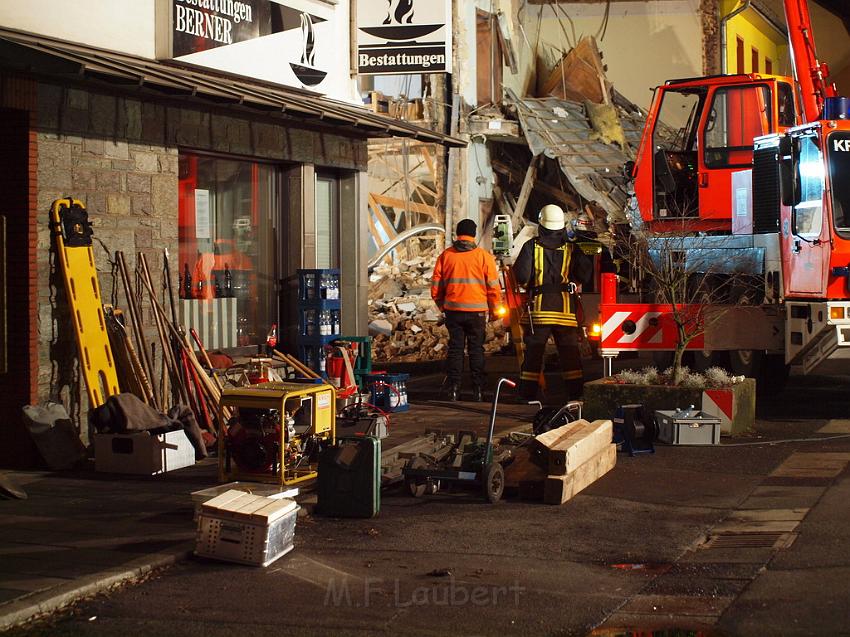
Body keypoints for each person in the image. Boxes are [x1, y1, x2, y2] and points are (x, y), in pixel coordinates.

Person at [513, 204, 593, 402]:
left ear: (541, 225)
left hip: (539, 312)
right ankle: (576, 395)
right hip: (565, 312)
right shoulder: (572, 249)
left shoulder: (531, 246)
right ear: (561, 227)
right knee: (570, 355)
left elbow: (521, 276)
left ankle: (527, 395)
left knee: (534, 355)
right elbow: (585, 273)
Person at [431, 219, 502, 402]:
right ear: (474, 234)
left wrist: (442, 305)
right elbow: (493, 287)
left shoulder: (446, 256)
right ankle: (478, 390)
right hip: (477, 312)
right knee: (476, 350)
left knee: (455, 349)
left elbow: (436, 287)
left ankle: (454, 389)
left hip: (453, 311)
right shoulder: (484, 257)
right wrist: (495, 309)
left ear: (457, 233)